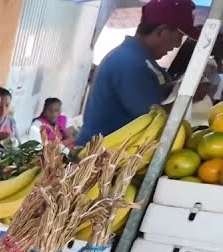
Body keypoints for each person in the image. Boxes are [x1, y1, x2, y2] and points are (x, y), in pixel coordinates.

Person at [76, 0, 198, 146]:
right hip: (99, 158)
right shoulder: (131, 63)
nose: (178, 45)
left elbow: (156, 90)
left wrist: (177, 87)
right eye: (179, 37)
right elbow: (153, 118)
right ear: (162, 31)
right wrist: (189, 98)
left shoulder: (142, 59)